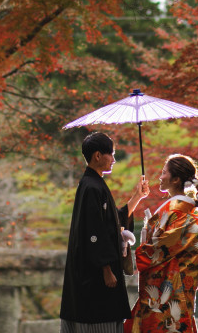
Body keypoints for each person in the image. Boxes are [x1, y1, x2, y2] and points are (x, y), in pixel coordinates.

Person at [61, 132, 149, 333]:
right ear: (98, 155)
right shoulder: (91, 186)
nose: (114, 159)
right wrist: (106, 269)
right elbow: (94, 232)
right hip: (96, 274)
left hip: (99, 269)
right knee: (98, 320)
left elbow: (111, 222)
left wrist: (137, 196)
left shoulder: (94, 184)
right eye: (111, 154)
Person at [125, 154, 198, 333]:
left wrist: (145, 247)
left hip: (168, 286)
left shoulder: (178, 209)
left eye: (164, 173)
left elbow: (163, 246)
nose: (160, 177)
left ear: (176, 180)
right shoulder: (183, 209)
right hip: (174, 285)